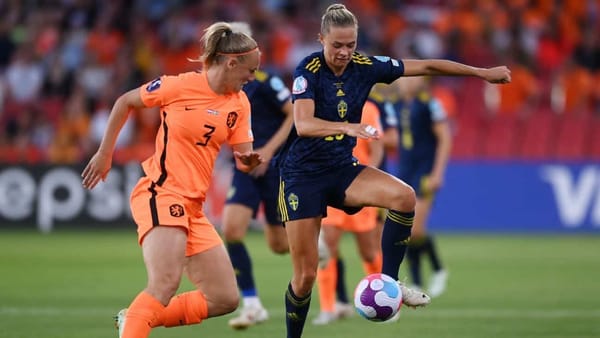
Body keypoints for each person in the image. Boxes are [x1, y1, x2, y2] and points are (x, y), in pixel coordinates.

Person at [276, 4, 511, 337]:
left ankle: (389, 282)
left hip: (342, 168)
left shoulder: (366, 66)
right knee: (305, 278)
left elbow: (428, 64)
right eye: (337, 45)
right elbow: (303, 123)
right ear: (321, 39)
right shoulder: (308, 70)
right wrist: (348, 128)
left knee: (404, 197)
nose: (344, 52)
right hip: (302, 177)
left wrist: (482, 73)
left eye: (351, 45)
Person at [81, 22, 263, 338]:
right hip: (161, 193)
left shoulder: (240, 103)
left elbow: (243, 158)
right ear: (231, 62)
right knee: (164, 283)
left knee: (224, 297)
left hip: (194, 208)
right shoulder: (178, 86)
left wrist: (248, 162)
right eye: (251, 70)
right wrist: (105, 153)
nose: (253, 77)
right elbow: (125, 102)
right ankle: (138, 322)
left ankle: (137, 318)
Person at [222, 22, 294, 330]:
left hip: (274, 167)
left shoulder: (266, 81)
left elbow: (295, 114)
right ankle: (252, 304)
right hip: (244, 169)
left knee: (278, 246)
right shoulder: (222, 87)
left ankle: (312, 241)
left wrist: (267, 152)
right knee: (232, 230)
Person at [313, 99, 384, 325]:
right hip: (332, 186)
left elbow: (378, 147)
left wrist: (369, 179)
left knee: (369, 252)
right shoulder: (323, 106)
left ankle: (386, 299)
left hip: (360, 186)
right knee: (326, 248)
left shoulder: (368, 109)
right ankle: (327, 307)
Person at [392, 76, 452, 298]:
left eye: (413, 77)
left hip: (425, 171)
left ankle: (438, 269)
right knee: (406, 229)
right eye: (404, 78)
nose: (407, 82)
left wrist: (438, 172)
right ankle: (416, 283)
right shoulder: (395, 105)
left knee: (416, 229)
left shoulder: (430, 104)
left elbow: (445, 137)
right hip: (404, 171)